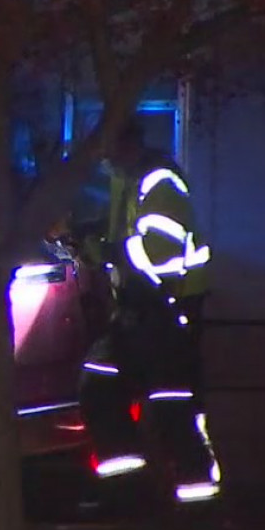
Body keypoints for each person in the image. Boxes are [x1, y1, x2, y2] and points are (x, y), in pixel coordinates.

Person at [76, 119, 220, 504]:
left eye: (107, 149)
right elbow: (126, 238)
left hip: (168, 310)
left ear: (126, 144)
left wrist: (107, 252)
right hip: (138, 311)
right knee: (100, 383)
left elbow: (161, 255)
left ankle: (195, 494)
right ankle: (128, 485)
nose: (103, 159)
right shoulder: (127, 181)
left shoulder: (159, 182)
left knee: (171, 403)